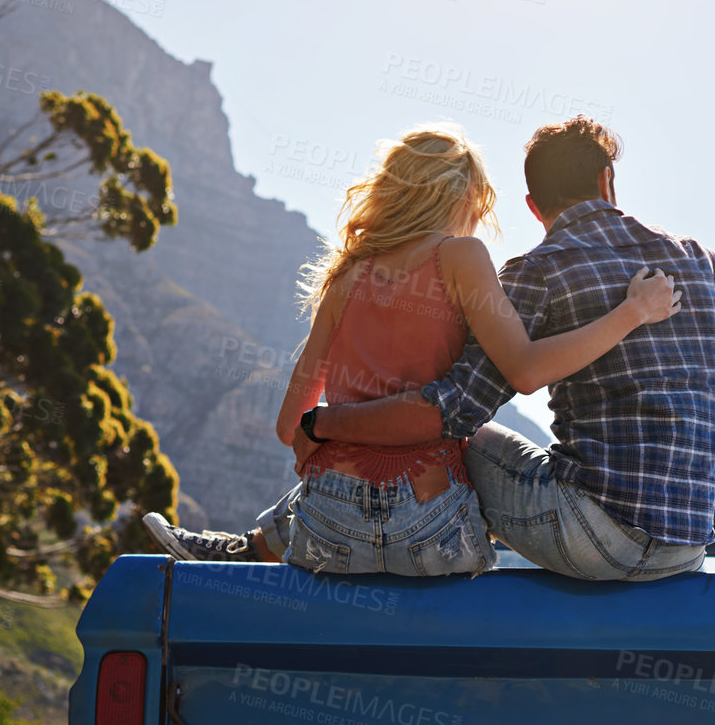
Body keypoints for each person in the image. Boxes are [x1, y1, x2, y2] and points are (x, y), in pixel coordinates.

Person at [150, 116, 715, 579]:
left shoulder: (529, 275)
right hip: (683, 545)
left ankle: (260, 544)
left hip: (592, 540)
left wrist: (325, 426)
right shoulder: (690, 260)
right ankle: (264, 541)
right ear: (610, 180)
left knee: (470, 437)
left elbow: (447, 412)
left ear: (534, 208)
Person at [144, 125, 678, 575]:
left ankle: (248, 547)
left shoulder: (345, 276)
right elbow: (524, 369)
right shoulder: (462, 257)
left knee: (346, 452)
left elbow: (290, 428)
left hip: (329, 524)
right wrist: (632, 312)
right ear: (464, 197)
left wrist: (329, 427)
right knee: (475, 435)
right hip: (429, 524)